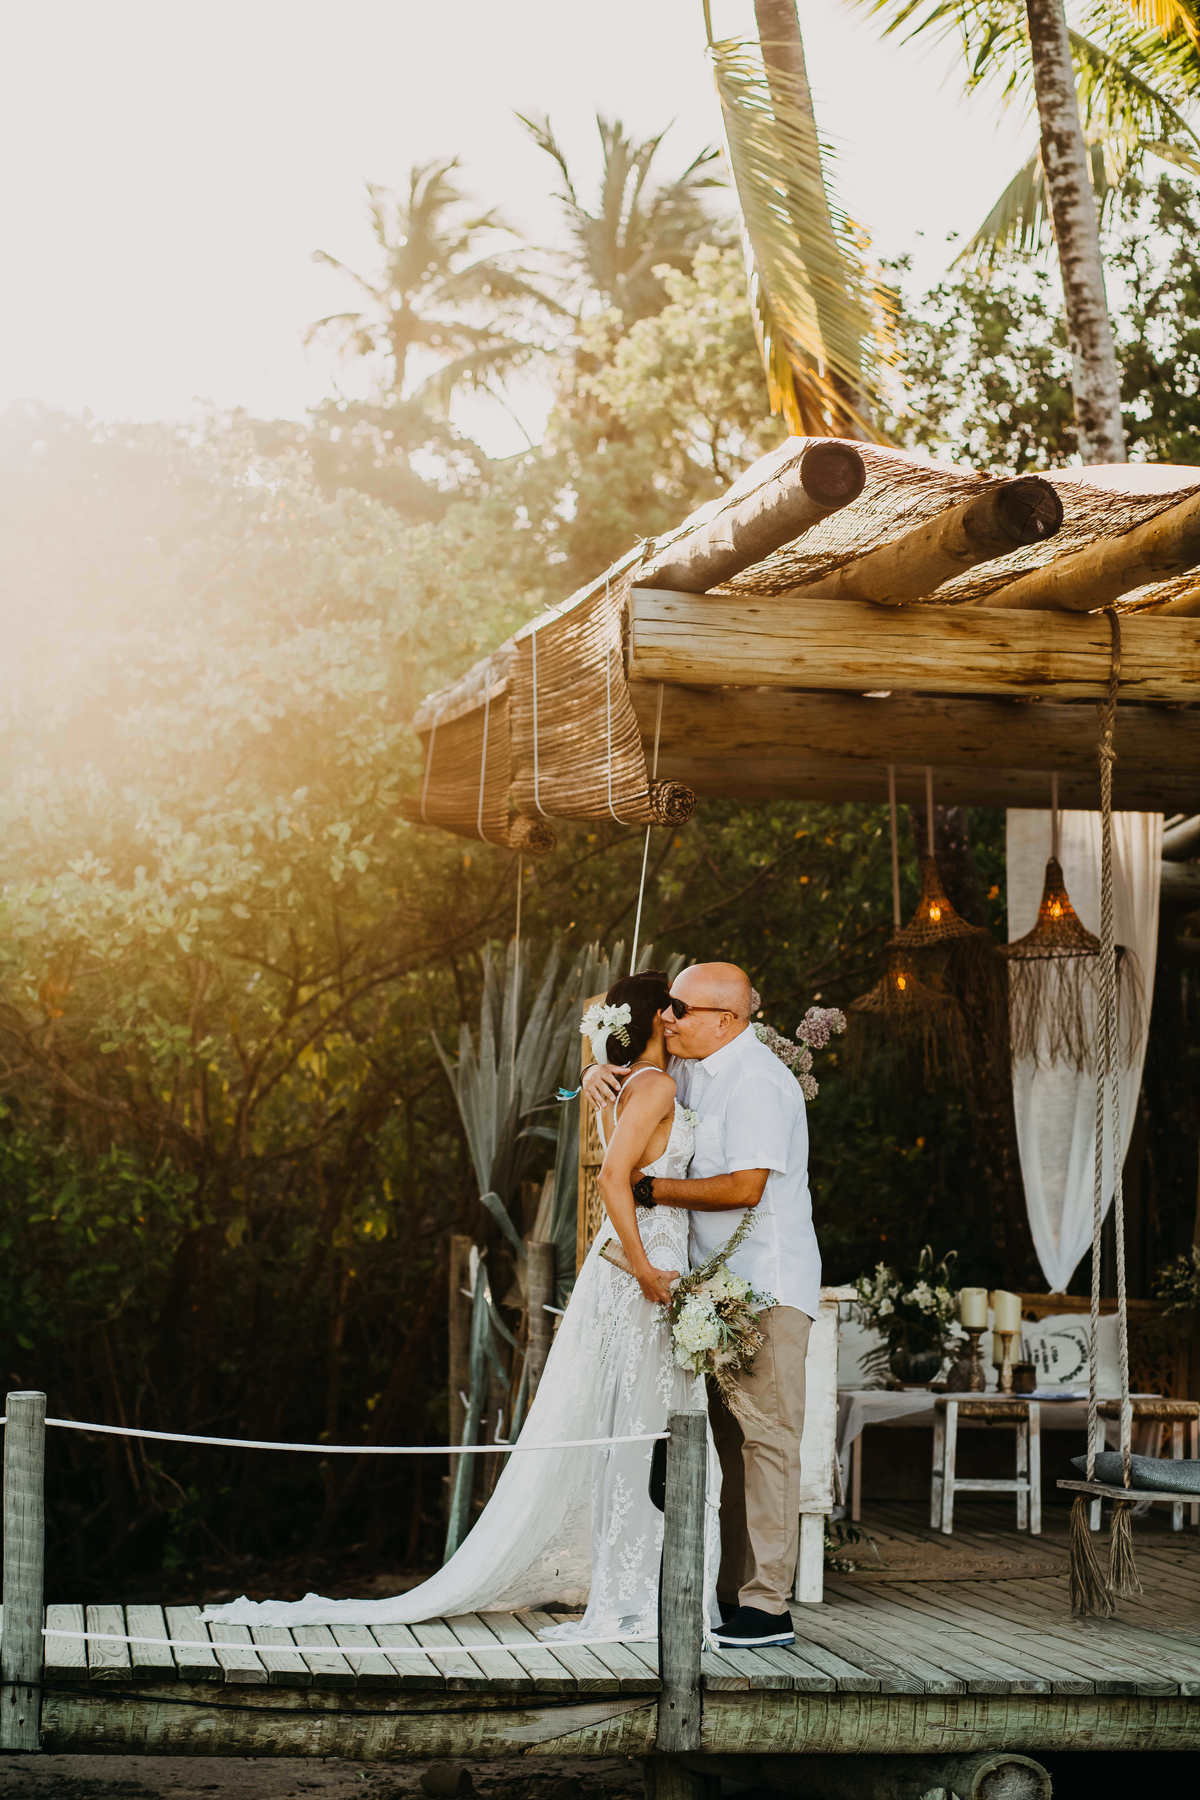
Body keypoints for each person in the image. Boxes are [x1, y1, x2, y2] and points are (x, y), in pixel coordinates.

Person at [203, 969, 720, 1641]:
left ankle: (638, 1579)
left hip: (634, 1262)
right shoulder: (654, 1087)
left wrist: (594, 1069)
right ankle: (636, 1588)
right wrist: (646, 1267)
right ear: (652, 1018)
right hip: (642, 1265)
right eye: (672, 1007)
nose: (679, 1017)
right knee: (642, 1421)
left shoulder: (629, 1085)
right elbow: (615, 1179)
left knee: (635, 1420)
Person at [583, 961, 819, 1649]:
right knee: (721, 1447)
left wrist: (650, 1191)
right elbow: (621, 1046)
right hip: (703, 1292)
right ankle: (726, 1591)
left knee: (767, 1442)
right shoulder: (688, 1069)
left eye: (680, 1009)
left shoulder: (758, 1081)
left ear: (726, 1019)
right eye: (667, 1007)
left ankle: (768, 1606)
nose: (667, 1017)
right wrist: (597, 1070)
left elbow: (746, 1187)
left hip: (766, 1287)